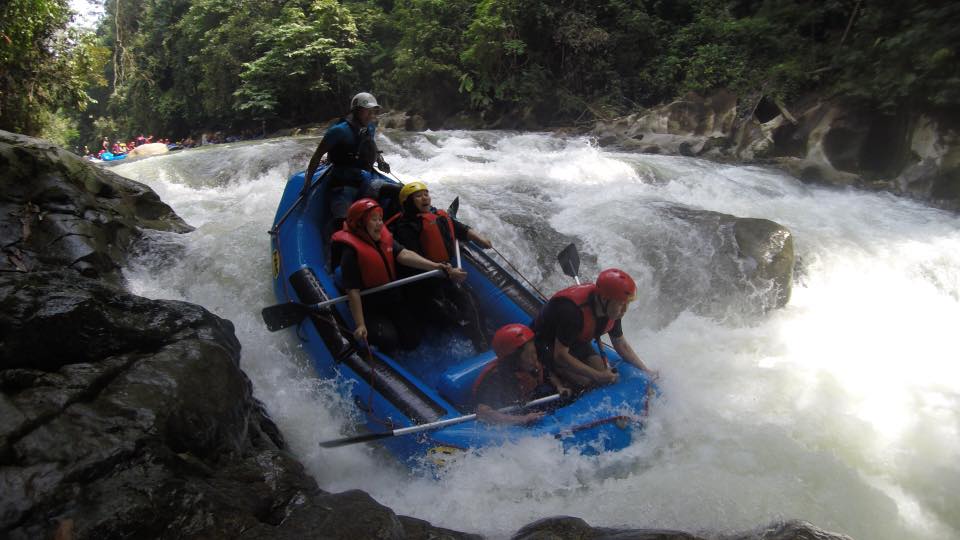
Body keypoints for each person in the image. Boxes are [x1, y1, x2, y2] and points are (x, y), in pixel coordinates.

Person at [332, 198, 467, 353]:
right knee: (388, 341)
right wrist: (360, 324)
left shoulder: (383, 237)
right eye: (374, 220)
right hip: (369, 303)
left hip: (391, 297)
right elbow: (353, 292)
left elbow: (404, 254)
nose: (379, 224)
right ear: (361, 224)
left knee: (413, 340)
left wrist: (435, 265)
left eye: (380, 219)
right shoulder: (350, 253)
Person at [389, 180, 492, 350]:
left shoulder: (438, 215)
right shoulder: (404, 227)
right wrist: (446, 270)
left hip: (443, 274)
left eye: (426, 194)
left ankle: (481, 339)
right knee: (446, 315)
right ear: (408, 203)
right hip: (421, 281)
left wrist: (480, 238)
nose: (424, 198)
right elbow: (414, 257)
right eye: (418, 196)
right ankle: (465, 329)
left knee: (471, 302)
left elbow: (460, 228)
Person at [533, 268, 655, 390]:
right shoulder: (572, 312)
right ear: (604, 299)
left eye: (626, 304)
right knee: (587, 382)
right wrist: (597, 376)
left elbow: (620, 344)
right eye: (621, 304)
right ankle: (555, 378)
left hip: (575, 340)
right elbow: (560, 355)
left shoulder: (613, 308)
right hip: (547, 343)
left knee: (604, 371)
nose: (624, 310)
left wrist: (646, 371)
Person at [303, 92, 393, 235]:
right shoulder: (338, 130)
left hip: (364, 178)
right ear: (356, 110)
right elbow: (317, 155)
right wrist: (307, 184)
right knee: (342, 222)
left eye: (373, 111)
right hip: (343, 183)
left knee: (396, 192)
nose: (371, 115)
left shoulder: (370, 127)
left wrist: (380, 161)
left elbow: (370, 145)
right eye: (367, 111)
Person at [474, 324, 571, 425]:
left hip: (526, 401)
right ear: (514, 359)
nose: (535, 358)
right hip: (508, 413)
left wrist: (559, 386)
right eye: (530, 354)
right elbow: (483, 412)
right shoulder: (496, 378)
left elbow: (547, 374)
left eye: (534, 352)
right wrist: (523, 419)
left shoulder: (530, 365)